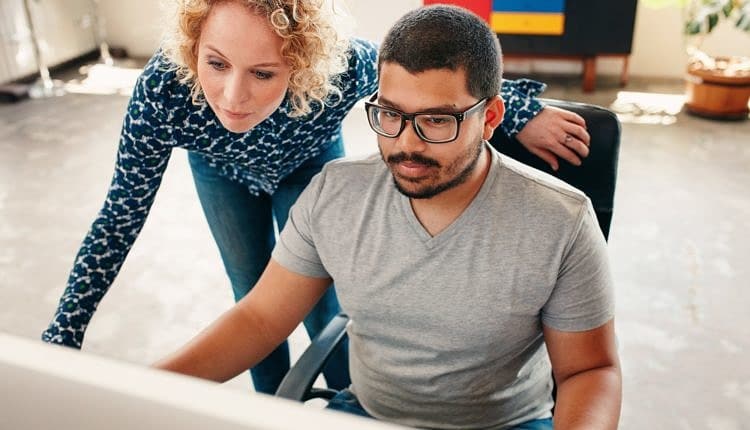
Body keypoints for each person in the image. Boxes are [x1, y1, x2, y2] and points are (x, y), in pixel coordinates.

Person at [42, 0, 591, 396]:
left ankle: (348, 398)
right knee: (253, 293)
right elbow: (120, 215)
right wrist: (63, 332)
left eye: (263, 72)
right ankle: (273, 408)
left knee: (326, 291)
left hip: (307, 161)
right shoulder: (163, 89)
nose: (234, 98)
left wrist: (521, 113)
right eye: (216, 64)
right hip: (222, 173)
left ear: (302, 64)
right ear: (192, 49)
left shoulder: (344, 66)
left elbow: (427, 75)